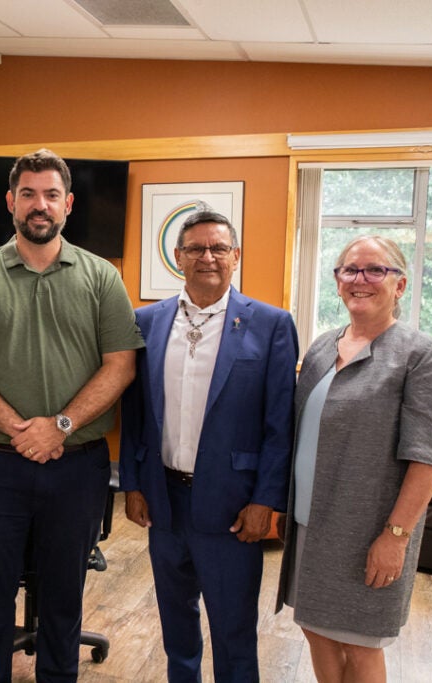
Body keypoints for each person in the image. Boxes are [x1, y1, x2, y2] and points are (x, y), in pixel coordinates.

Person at [0, 148, 143, 682]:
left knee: (63, 601)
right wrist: (19, 429)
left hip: (76, 468)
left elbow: (120, 365)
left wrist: (60, 427)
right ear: (10, 202)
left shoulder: (102, 278)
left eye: (51, 194)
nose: (40, 205)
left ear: (68, 204)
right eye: (28, 194)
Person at [119, 207, 298, 682]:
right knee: (176, 629)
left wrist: (266, 500)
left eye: (219, 248)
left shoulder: (271, 325)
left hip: (232, 506)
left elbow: (279, 424)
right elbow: (135, 415)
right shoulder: (146, 322)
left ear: (236, 256)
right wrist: (132, 484)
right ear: (178, 257)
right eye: (196, 248)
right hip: (163, 501)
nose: (208, 257)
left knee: (233, 633)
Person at [276, 235, 432, 682]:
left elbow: (426, 459)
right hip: (310, 523)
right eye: (350, 269)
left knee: (360, 643)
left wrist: (395, 536)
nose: (360, 279)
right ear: (337, 280)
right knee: (315, 629)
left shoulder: (422, 356)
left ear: (400, 285)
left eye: (376, 270)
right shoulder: (322, 348)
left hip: (369, 533)